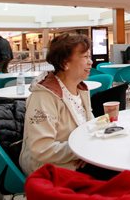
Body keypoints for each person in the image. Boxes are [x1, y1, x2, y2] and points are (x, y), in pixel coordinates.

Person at [19, 33, 117, 180]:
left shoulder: (81, 89)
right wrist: (82, 150)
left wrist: (109, 123)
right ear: (65, 63)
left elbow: (87, 126)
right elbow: (41, 149)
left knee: (120, 163)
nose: (91, 62)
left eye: (89, 57)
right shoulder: (44, 96)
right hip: (51, 169)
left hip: (80, 159)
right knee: (117, 175)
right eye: (85, 57)